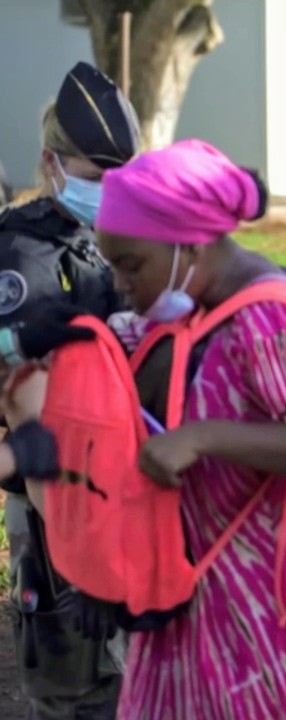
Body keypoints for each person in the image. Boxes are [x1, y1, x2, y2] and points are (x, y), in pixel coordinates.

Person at [88, 138, 286, 718]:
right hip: (199, 595)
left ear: (189, 243)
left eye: (131, 265)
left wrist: (201, 438)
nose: (122, 282)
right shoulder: (194, 309)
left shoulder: (269, 319)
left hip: (272, 615)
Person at [0, 60, 134, 720]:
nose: (109, 189)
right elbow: (19, 388)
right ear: (52, 161)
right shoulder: (24, 252)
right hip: (61, 506)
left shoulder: (121, 236)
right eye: (94, 174)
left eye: (120, 175)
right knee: (77, 688)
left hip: (131, 493)